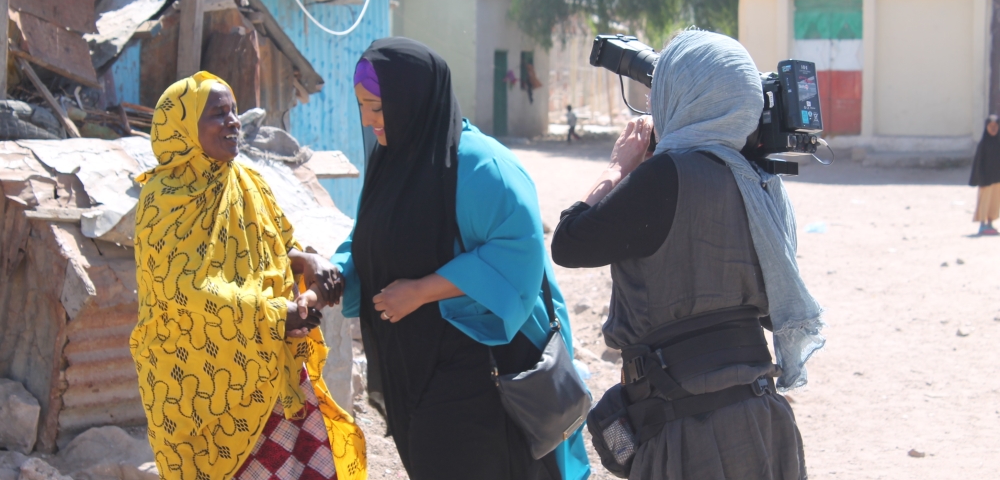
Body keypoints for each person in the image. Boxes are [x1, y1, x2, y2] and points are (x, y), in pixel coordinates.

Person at [552, 30, 823, 480]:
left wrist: (620, 166)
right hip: (761, 420)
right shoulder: (760, 182)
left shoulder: (665, 178)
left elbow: (569, 242)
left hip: (686, 432)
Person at [332, 38, 590, 480]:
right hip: (413, 370)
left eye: (377, 107)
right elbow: (369, 240)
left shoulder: (479, 167)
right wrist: (331, 276)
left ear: (411, 99)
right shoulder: (392, 163)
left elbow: (518, 253)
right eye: (362, 106)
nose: (368, 120)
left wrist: (420, 291)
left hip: (479, 370)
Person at [130, 72, 366, 480]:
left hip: (270, 369)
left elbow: (271, 245)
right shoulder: (163, 201)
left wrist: (304, 261)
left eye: (234, 111)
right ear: (184, 129)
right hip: (200, 380)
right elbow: (183, 290)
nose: (234, 121)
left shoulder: (246, 182)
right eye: (218, 114)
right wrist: (275, 315)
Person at [970, 114, 1000, 236]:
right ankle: (982, 225)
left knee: (995, 202)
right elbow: (978, 164)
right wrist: (979, 179)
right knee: (984, 202)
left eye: (995, 126)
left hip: (997, 178)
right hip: (985, 179)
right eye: (990, 126)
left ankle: (990, 223)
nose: (993, 129)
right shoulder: (983, 144)